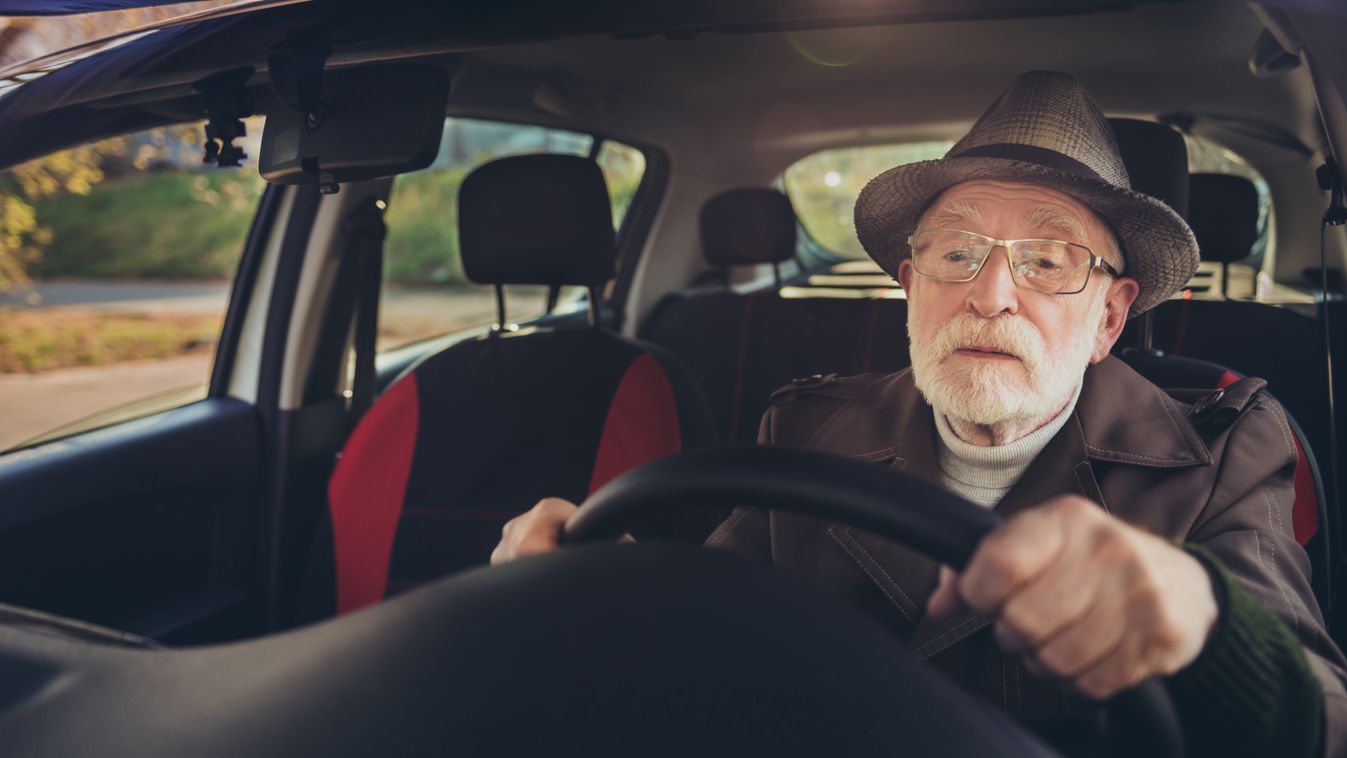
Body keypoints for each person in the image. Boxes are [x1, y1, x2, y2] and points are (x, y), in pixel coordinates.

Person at [490, 71, 1347, 757]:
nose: (990, 293)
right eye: (956, 252)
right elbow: (719, 644)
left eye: (1047, 259)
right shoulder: (802, 430)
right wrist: (600, 588)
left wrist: (1205, 622)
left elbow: (1321, 723)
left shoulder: (1226, 448)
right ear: (909, 288)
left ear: (1109, 318)